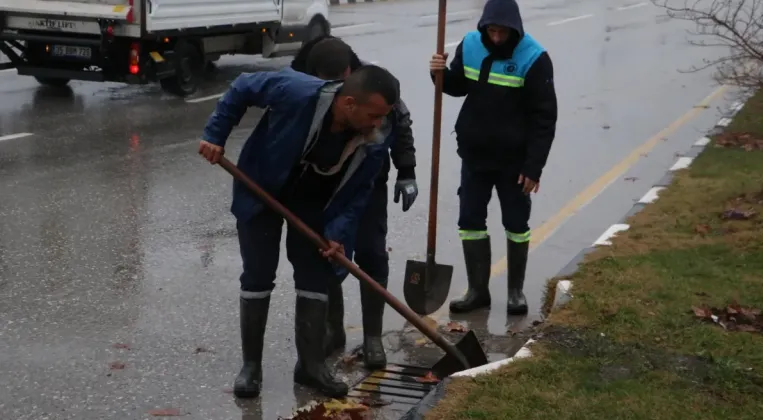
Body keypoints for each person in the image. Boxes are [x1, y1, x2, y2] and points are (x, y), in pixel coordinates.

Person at [198, 64, 401, 399]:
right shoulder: (296, 91)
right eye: (373, 114)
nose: (378, 124)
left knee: (315, 276)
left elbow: (359, 190)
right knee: (258, 274)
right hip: (261, 189)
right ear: (349, 103)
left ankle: (310, 366)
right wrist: (214, 135)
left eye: (383, 116)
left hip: (314, 204)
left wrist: (338, 231)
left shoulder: (375, 134)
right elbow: (243, 86)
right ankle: (251, 367)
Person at [290, 36, 418, 369]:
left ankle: (373, 338)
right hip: (326, 187)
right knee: (328, 251)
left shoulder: (373, 85)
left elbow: (400, 123)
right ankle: (334, 329)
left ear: (350, 69)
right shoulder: (305, 85)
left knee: (372, 253)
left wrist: (407, 170)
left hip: (368, 181)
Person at [428, 0, 558, 315]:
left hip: (515, 162)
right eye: (492, 31)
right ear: (484, 27)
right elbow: (458, 86)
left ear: (516, 29)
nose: (497, 38)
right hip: (474, 155)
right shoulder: (471, 44)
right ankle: (477, 291)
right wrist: (439, 74)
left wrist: (533, 167)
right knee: (470, 221)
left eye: (503, 32)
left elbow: (545, 118)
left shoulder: (534, 58)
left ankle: (515, 292)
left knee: (516, 222)